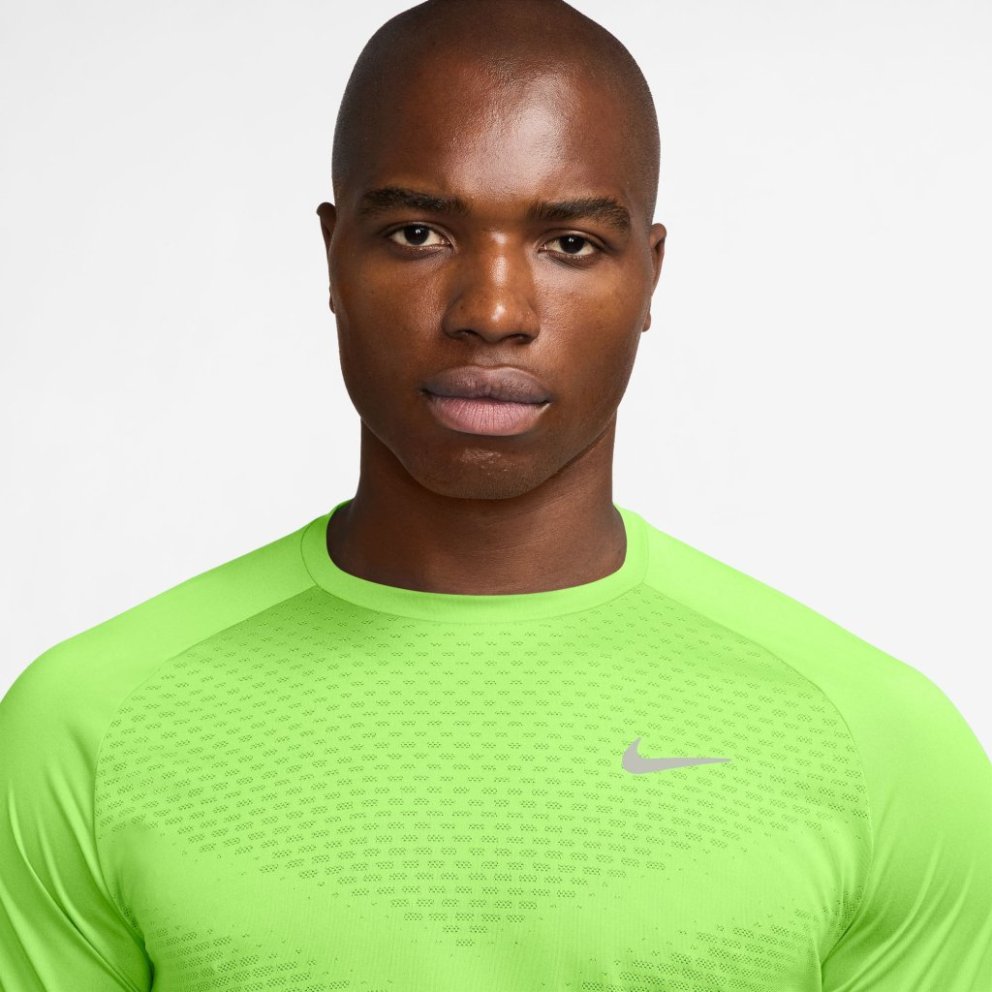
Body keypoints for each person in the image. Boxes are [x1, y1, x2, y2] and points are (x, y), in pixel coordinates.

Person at [1, 0, 989, 988]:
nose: (494, 311)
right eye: (418, 233)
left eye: (571, 244)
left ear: (649, 277)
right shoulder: (86, 727)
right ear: (333, 257)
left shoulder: (877, 745)